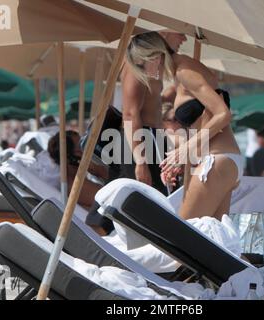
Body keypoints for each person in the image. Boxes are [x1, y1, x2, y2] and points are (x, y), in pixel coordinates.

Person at [126, 32, 243, 221]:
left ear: (153, 56)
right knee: (212, 238)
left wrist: (186, 150)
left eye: (141, 65)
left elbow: (223, 114)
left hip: (217, 161)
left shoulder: (184, 71)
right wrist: (184, 159)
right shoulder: (181, 73)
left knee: (181, 235)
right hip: (222, 160)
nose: (145, 71)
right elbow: (206, 120)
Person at [120, 31, 187, 195]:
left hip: (151, 138)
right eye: (180, 33)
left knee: (162, 197)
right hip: (141, 140)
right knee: (154, 200)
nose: (184, 38)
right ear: (164, 31)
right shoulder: (136, 65)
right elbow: (129, 114)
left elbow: (150, 101)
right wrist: (141, 162)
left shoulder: (153, 63)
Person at [47, 131, 110, 235]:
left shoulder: (79, 180)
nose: (87, 149)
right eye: (81, 147)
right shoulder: (76, 185)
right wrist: (101, 173)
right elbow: (112, 198)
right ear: (71, 157)